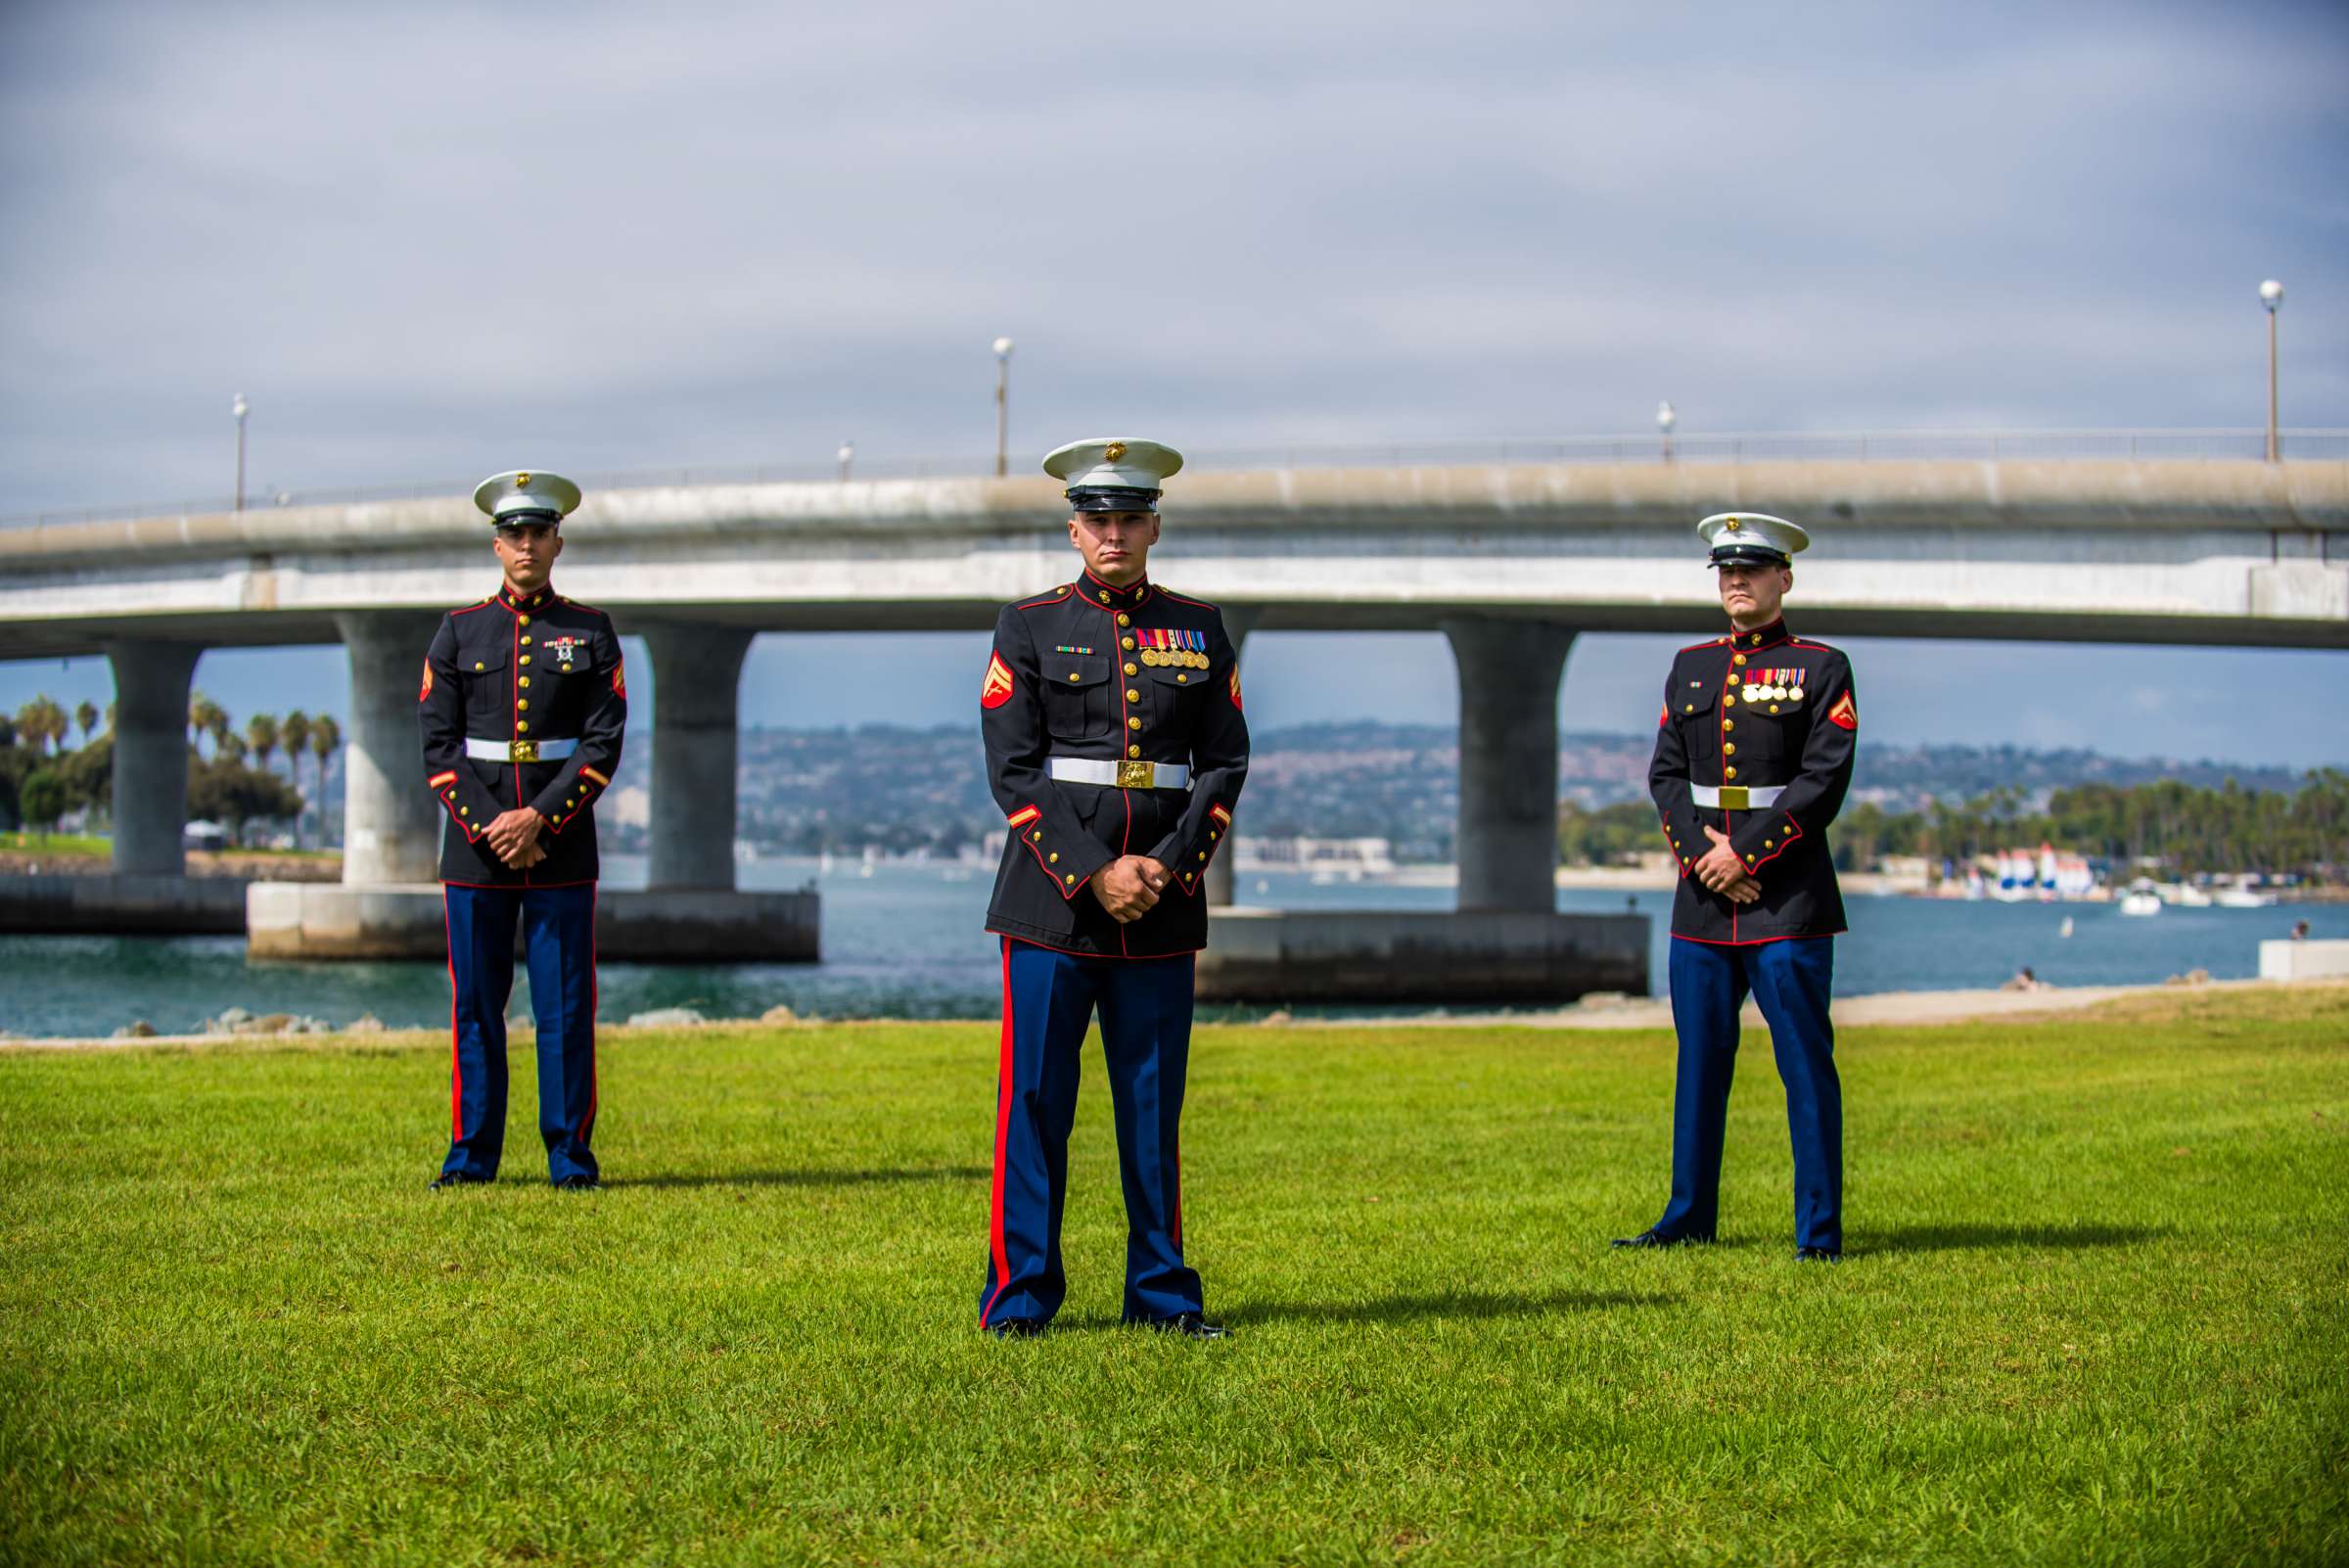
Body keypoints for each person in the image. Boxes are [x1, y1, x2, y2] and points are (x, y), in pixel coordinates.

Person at [976, 437, 1249, 1338]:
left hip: (1162, 909)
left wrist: (1163, 868)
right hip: (1053, 908)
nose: (1115, 534)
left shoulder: (1202, 628)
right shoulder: (1027, 625)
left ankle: (1162, 1297)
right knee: (1035, 1108)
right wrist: (1095, 873)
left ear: (1155, 526)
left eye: (1131, 518)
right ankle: (1020, 1301)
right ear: (1074, 529)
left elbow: (1224, 762)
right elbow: (1015, 771)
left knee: (1151, 1110)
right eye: (1099, 519)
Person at [1619, 512, 1858, 1262]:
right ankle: (1688, 1218)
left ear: (1783, 577)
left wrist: (1745, 858)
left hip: (1786, 902)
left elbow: (1821, 783)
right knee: (1698, 1067)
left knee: (1804, 1071)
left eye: (1751, 570)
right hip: (1700, 905)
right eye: (1726, 571)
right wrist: (1702, 856)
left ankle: (1817, 1237)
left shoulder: (1822, 667)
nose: (1736, 582)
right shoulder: (1689, 665)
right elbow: (1664, 777)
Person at [418, 470, 625, 1191]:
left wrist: (540, 818)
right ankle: (471, 1157)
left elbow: (603, 745)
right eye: (515, 533)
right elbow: (439, 751)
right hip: (476, 853)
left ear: (558, 542)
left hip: (561, 846)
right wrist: (495, 826)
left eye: (539, 532)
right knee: (476, 1006)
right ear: (497, 545)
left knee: (565, 1009)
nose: (527, 544)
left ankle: (570, 1159)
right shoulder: (457, 632)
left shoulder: (591, 633)